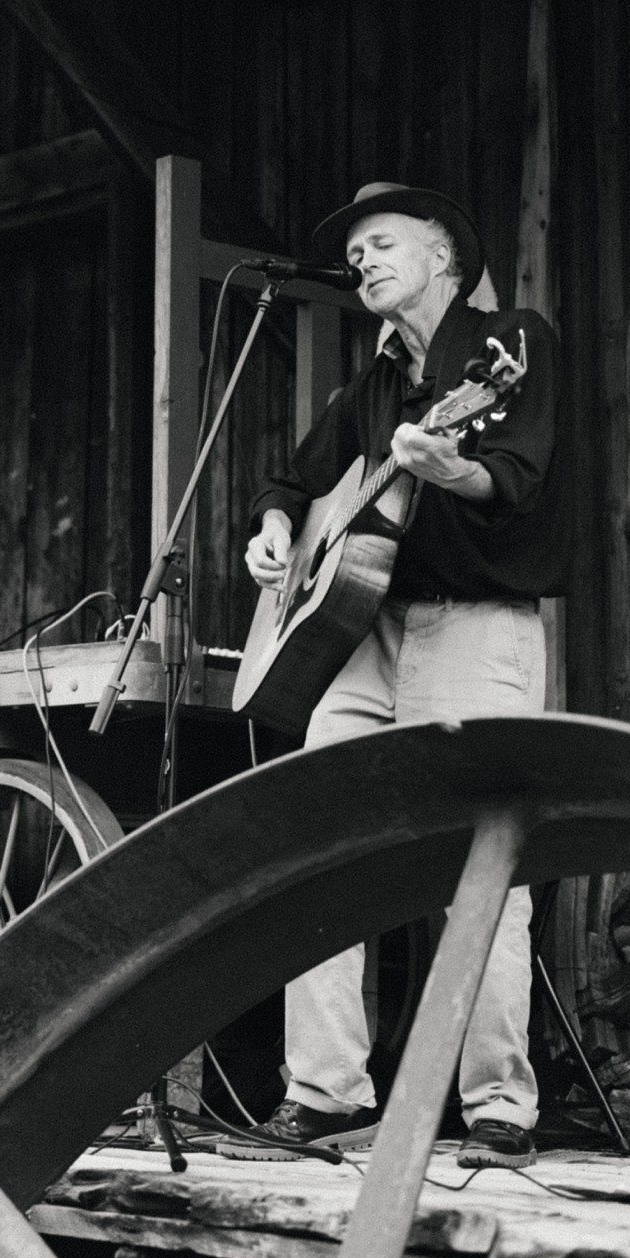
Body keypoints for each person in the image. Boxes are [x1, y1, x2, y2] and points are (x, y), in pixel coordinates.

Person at [234, 181, 571, 1170]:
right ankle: (324, 1093)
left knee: (483, 862)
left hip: (475, 630)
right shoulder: (373, 380)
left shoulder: (509, 345)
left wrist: (442, 464)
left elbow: (511, 480)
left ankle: (499, 1107)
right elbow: (294, 477)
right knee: (320, 846)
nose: (363, 263)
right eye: (356, 254)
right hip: (362, 635)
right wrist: (276, 529)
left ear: (444, 254)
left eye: (382, 244)